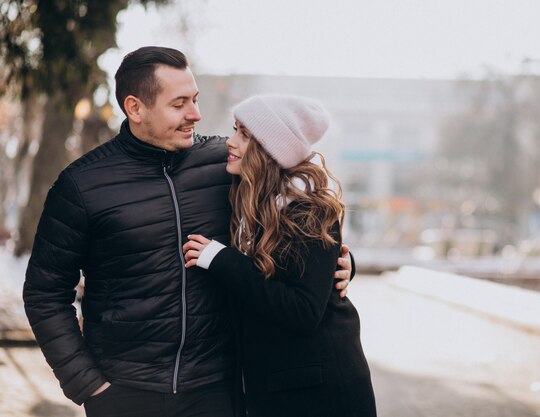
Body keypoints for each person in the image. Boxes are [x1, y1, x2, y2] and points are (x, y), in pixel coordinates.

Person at [23, 46, 352, 417]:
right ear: (135, 108)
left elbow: (290, 217)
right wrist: (88, 384)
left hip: (218, 390)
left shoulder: (225, 165)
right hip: (125, 393)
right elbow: (44, 293)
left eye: (194, 99)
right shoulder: (82, 185)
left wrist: (337, 262)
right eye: (179, 104)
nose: (195, 114)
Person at [183, 94, 377, 417]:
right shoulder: (249, 202)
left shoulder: (308, 211)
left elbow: (303, 310)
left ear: (268, 149)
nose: (230, 141)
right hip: (277, 391)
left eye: (244, 134)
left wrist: (221, 260)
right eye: (235, 129)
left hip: (325, 396)